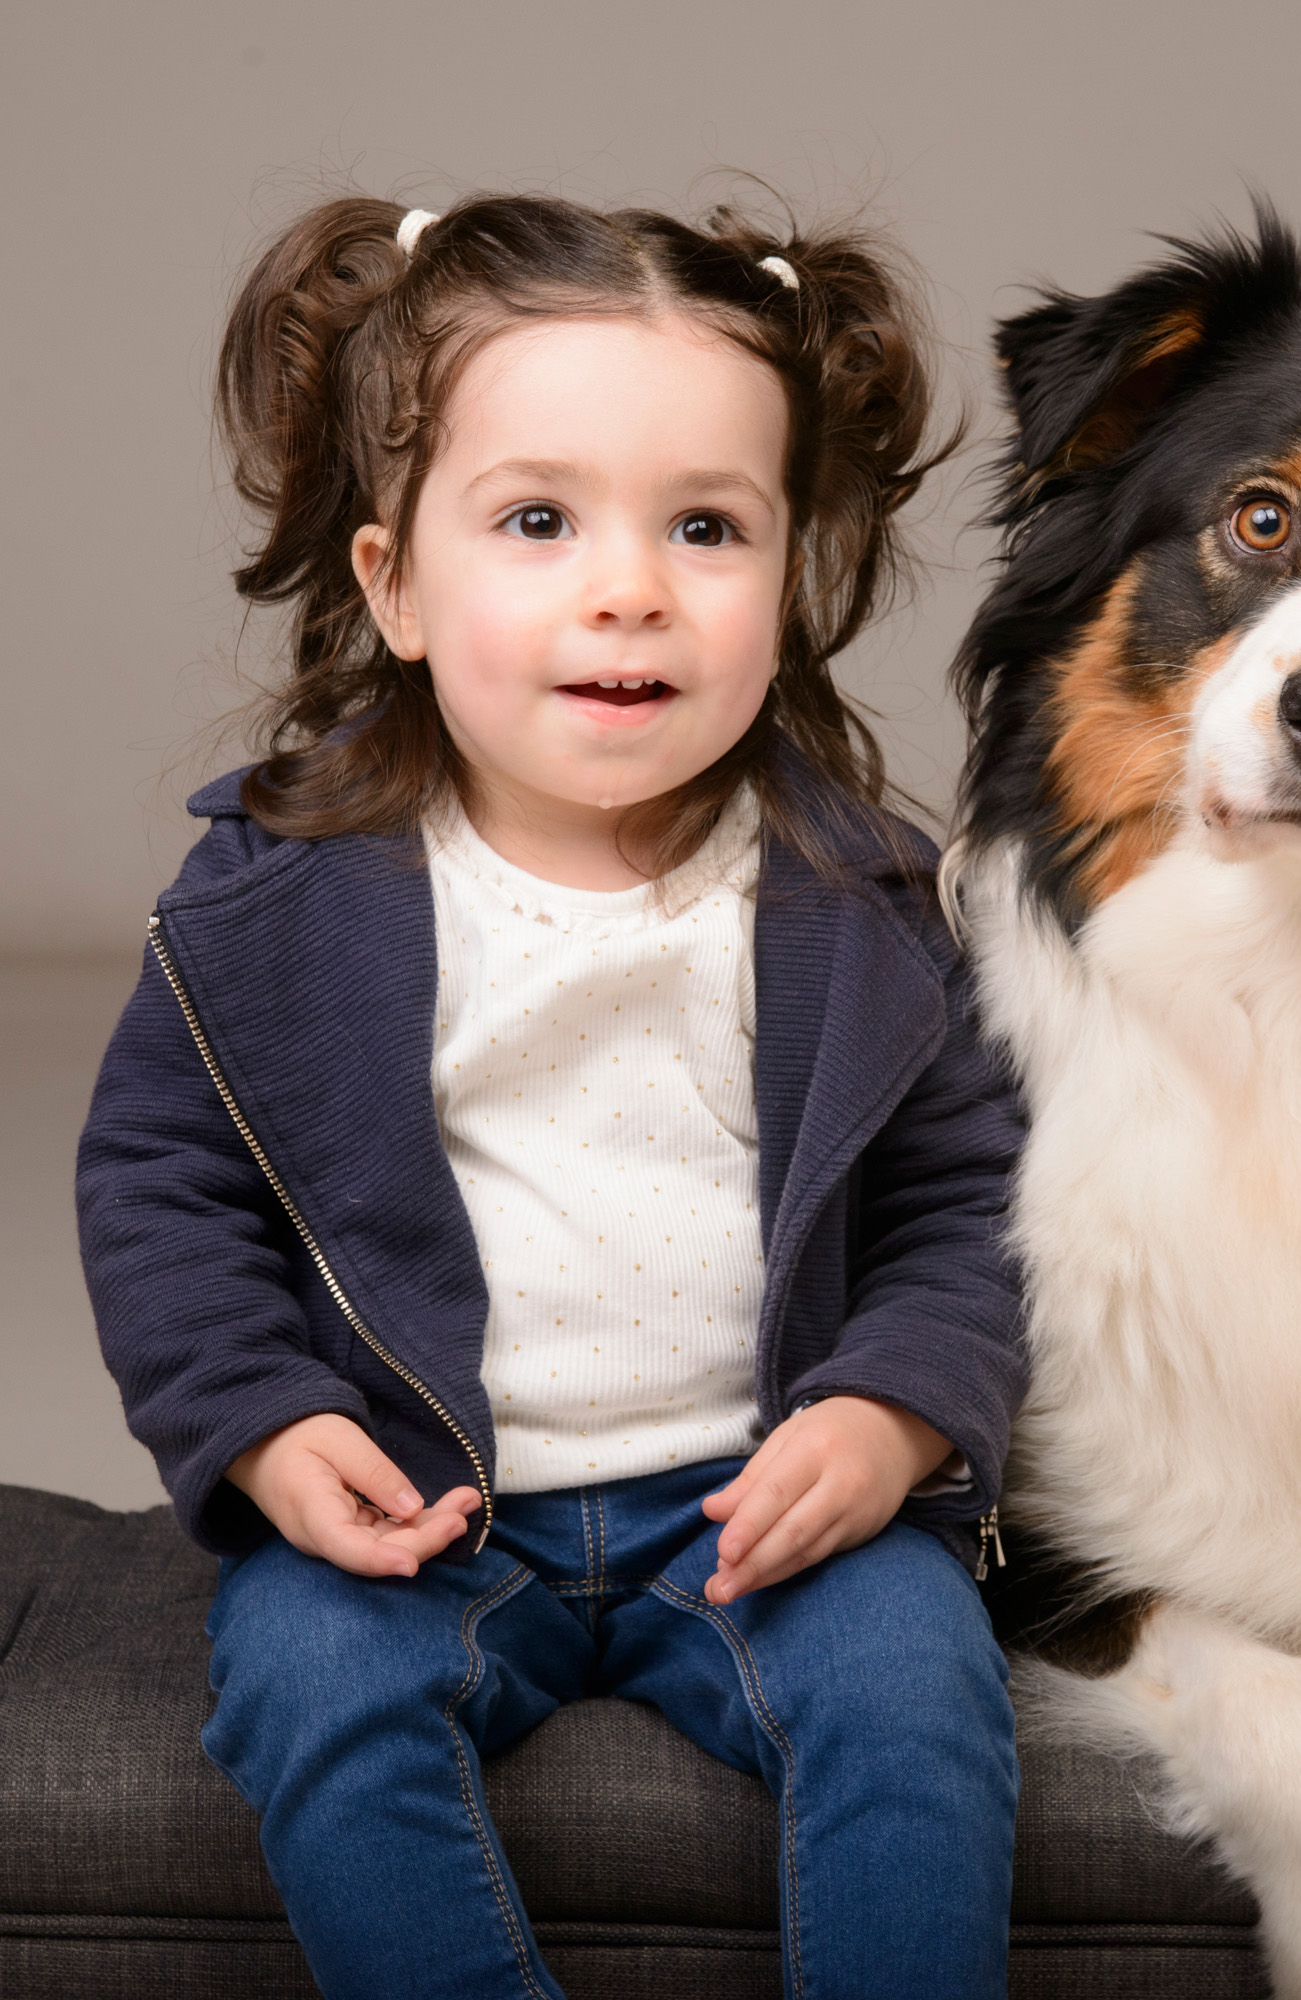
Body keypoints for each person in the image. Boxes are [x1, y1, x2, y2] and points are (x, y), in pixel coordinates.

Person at [76, 191, 1024, 2000]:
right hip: (432, 1509)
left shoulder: (860, 906)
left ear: (795, 574)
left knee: (919, 1694)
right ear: (397, 588)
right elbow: (159, 1188)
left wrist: (897, 1416)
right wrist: (267, 1424)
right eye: (537, 520)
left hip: (755, 1505)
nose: (629, 587)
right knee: (309, 1686)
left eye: (705, 527)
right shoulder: (282, 899)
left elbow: (970, 1208)